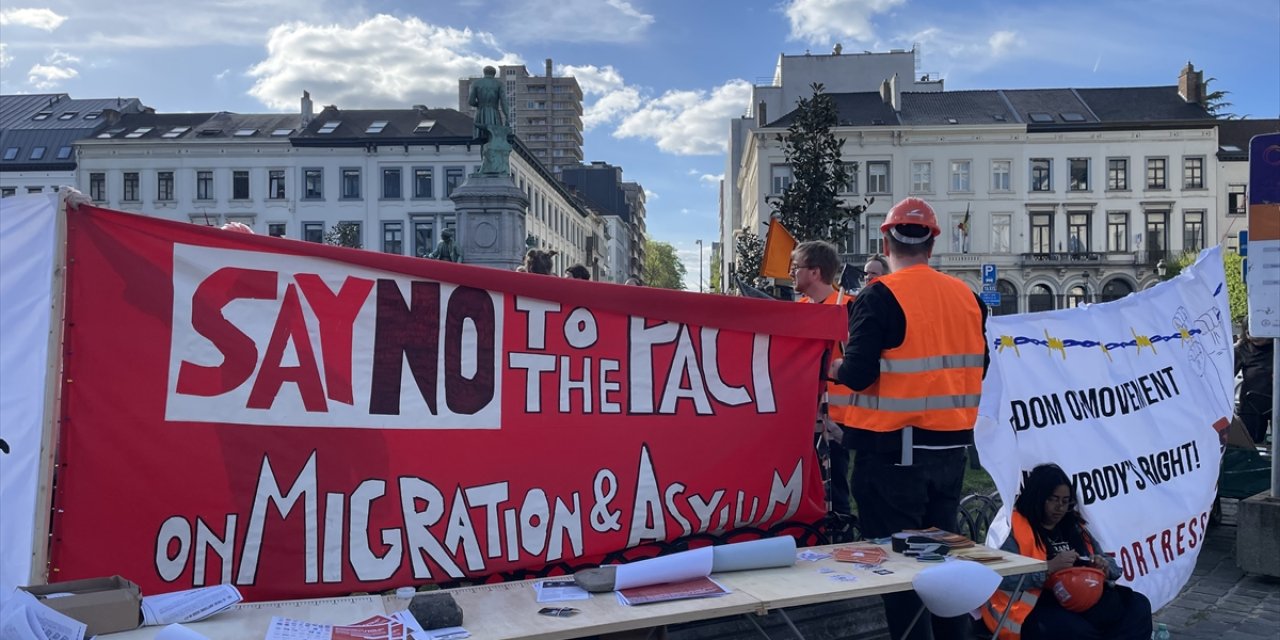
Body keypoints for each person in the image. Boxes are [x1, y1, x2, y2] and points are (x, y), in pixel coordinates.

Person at [827, 197, 989, 640]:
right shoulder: (969, 298)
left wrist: (830, 366)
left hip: (893, 460)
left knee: (902, 579)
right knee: (942, 569)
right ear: (933, 243)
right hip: (950, 456)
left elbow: (858, 373)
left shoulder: (878, 296)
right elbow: (979, 367)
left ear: (885, 238)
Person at [983, 464, 1152, 640]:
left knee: (1137, 606)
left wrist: (1103, 566)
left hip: (1082, 596)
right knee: (1077, 631)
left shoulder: (1073, 526)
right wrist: (1048, 568)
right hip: (1036, 605)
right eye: (1053, 499)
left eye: (1065, 501)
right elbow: (999, 576)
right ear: (1038, 497)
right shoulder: (1014, 526)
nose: (1060, 508)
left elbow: (1111, 565)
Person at [790, 240, 856, 541]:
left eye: (797, 268)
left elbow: (857, 365)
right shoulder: (798, 311)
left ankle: (840, 541)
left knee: (837, 487)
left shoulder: (847, 308)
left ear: (814, 272)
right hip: (802, 416)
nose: (793, 273)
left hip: (837, 417)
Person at [1235, 320, 1274, 444]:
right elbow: (1226, 374)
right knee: (1249, 442)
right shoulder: (1242, 349)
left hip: (1275, 402)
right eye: (1248, 331)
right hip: (1251, 405)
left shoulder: (1277, 345)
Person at [467, 66, 509, 142]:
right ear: (494, 74)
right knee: (494, 137)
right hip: (494, 114)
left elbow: (471, 101)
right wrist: (507, 116)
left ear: (484, 72)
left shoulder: (476, 83)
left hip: (480, 113)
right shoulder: (499, 84)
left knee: (482, 139)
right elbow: (504, 102)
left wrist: (479, 104)